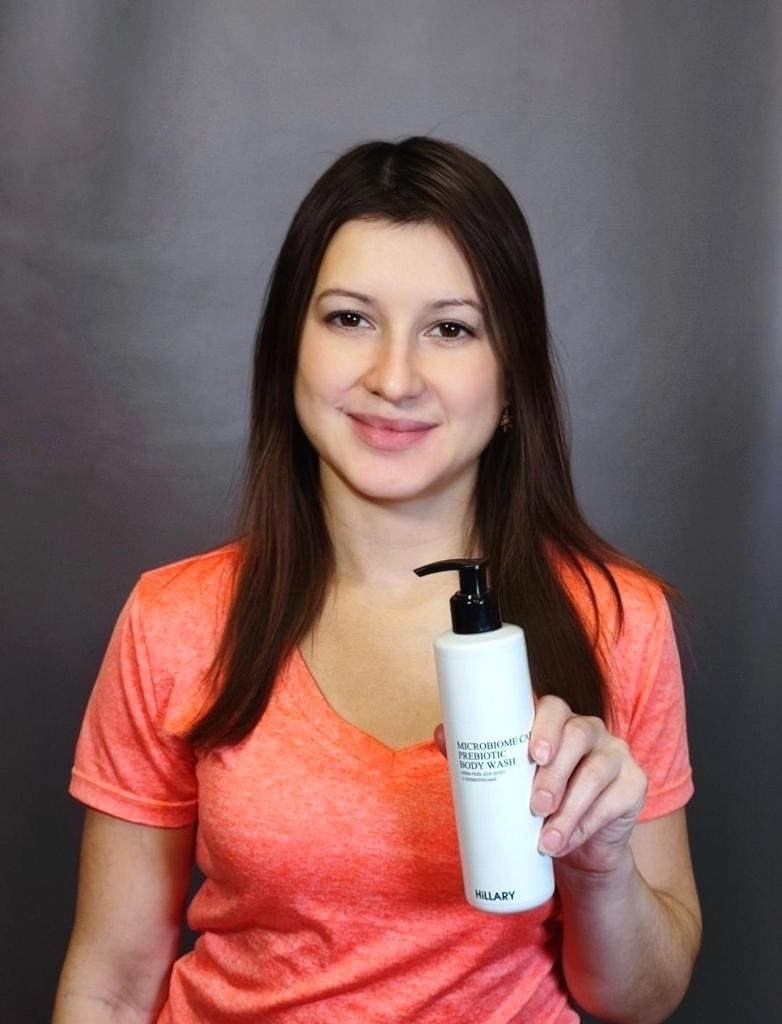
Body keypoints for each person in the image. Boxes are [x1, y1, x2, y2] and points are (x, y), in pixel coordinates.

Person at [52, 136, 701, 1023]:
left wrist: (601, 867)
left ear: (512, 377)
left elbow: (641, 999)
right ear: (290, 350)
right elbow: (111, 984)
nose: (393, 378)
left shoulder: (617, 619)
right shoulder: (175, 619)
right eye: (350, 319)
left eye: (451, 328)